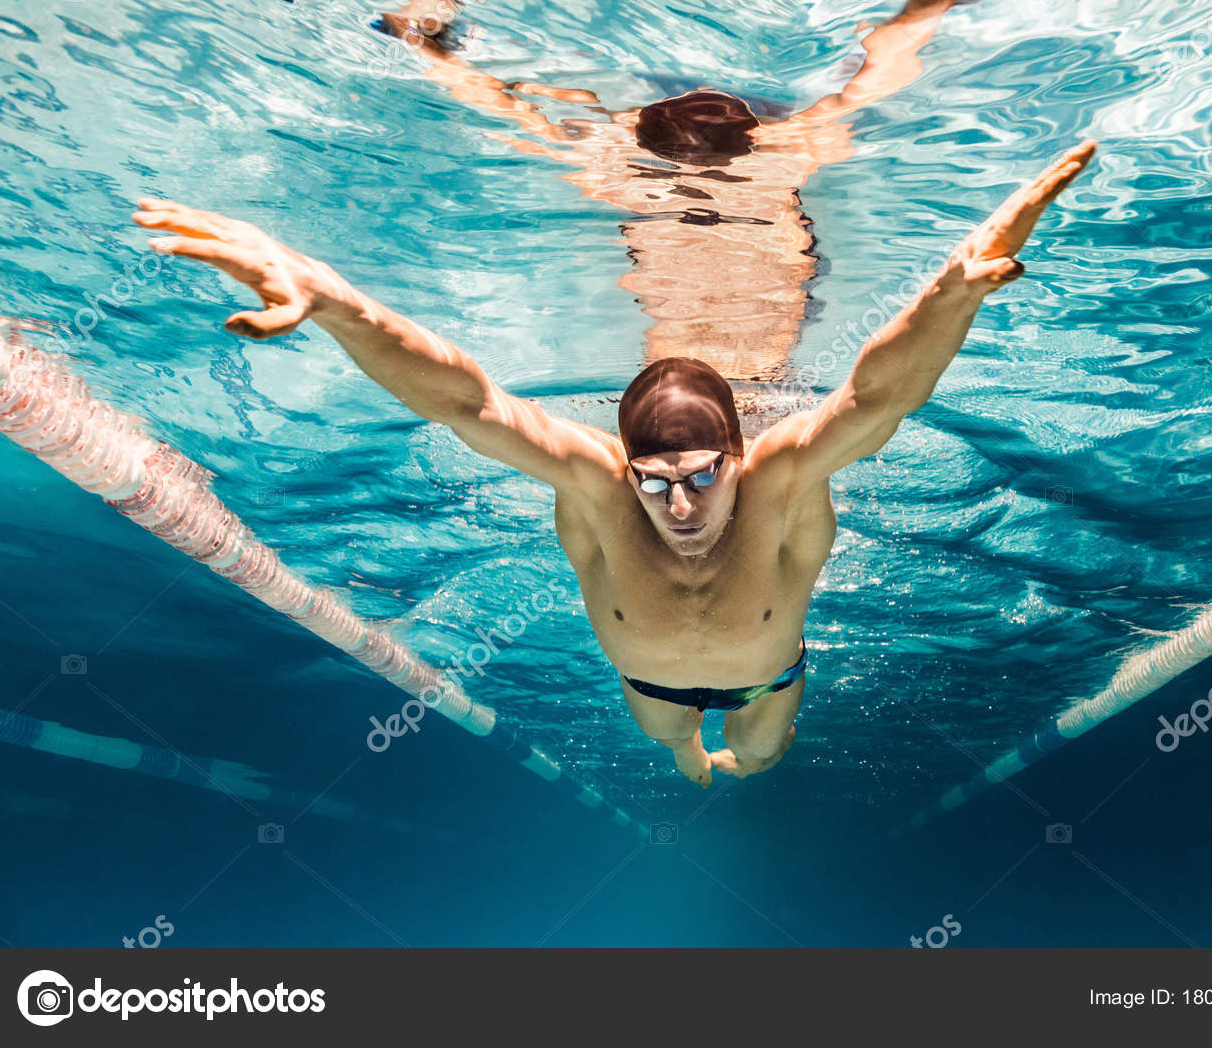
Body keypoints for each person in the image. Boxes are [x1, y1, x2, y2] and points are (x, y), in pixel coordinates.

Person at [133, 139, 1094, 784]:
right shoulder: (595, 485)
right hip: (651, 690)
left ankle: (731, 767)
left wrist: (956, 285)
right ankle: (691, 759)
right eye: (656, 477)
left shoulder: (784, 474)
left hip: (769, 679)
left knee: (754, 766)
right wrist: (340, 304)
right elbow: (467, 399)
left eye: (703, 472)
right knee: (678, 750)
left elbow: (876, 395)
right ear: (625, 463)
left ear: (739, 452)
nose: (679, 500)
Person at [238, 0, 1074, 383]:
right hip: (698, 168)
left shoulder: (725, 190)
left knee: (458, 71)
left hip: (695, 169)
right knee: (452, 66)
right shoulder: (737, 197)